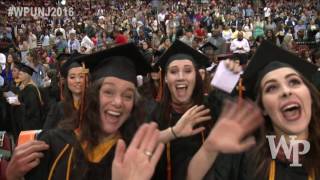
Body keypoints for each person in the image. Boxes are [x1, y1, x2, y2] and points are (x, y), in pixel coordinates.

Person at [6, 43, 162, 180]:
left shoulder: (138, 156)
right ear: (93, 95)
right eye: (108, 92)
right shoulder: (55, 143)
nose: (118, 102)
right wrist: (12, 176)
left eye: (128, 96)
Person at [187, 41, 320, 180]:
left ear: (309, 96)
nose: (286, 91)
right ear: (263, 108)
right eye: (271, 88)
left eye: (294, 82)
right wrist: (210, 148)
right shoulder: (245, 155)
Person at [151, 39, 213, 180]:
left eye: (188, 71)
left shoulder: (211, 110)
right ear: (165, 78)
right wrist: (172, 133)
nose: (180, 77)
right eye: (173, 72)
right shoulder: (154, 114)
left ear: (197, 77)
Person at [43, 53, 86, 129]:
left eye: (81, 76)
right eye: (72, 77)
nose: (77, 81)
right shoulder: (58, 108)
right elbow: (45, 134)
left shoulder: (95, 106)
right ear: (66, 81)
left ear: (86, 79)